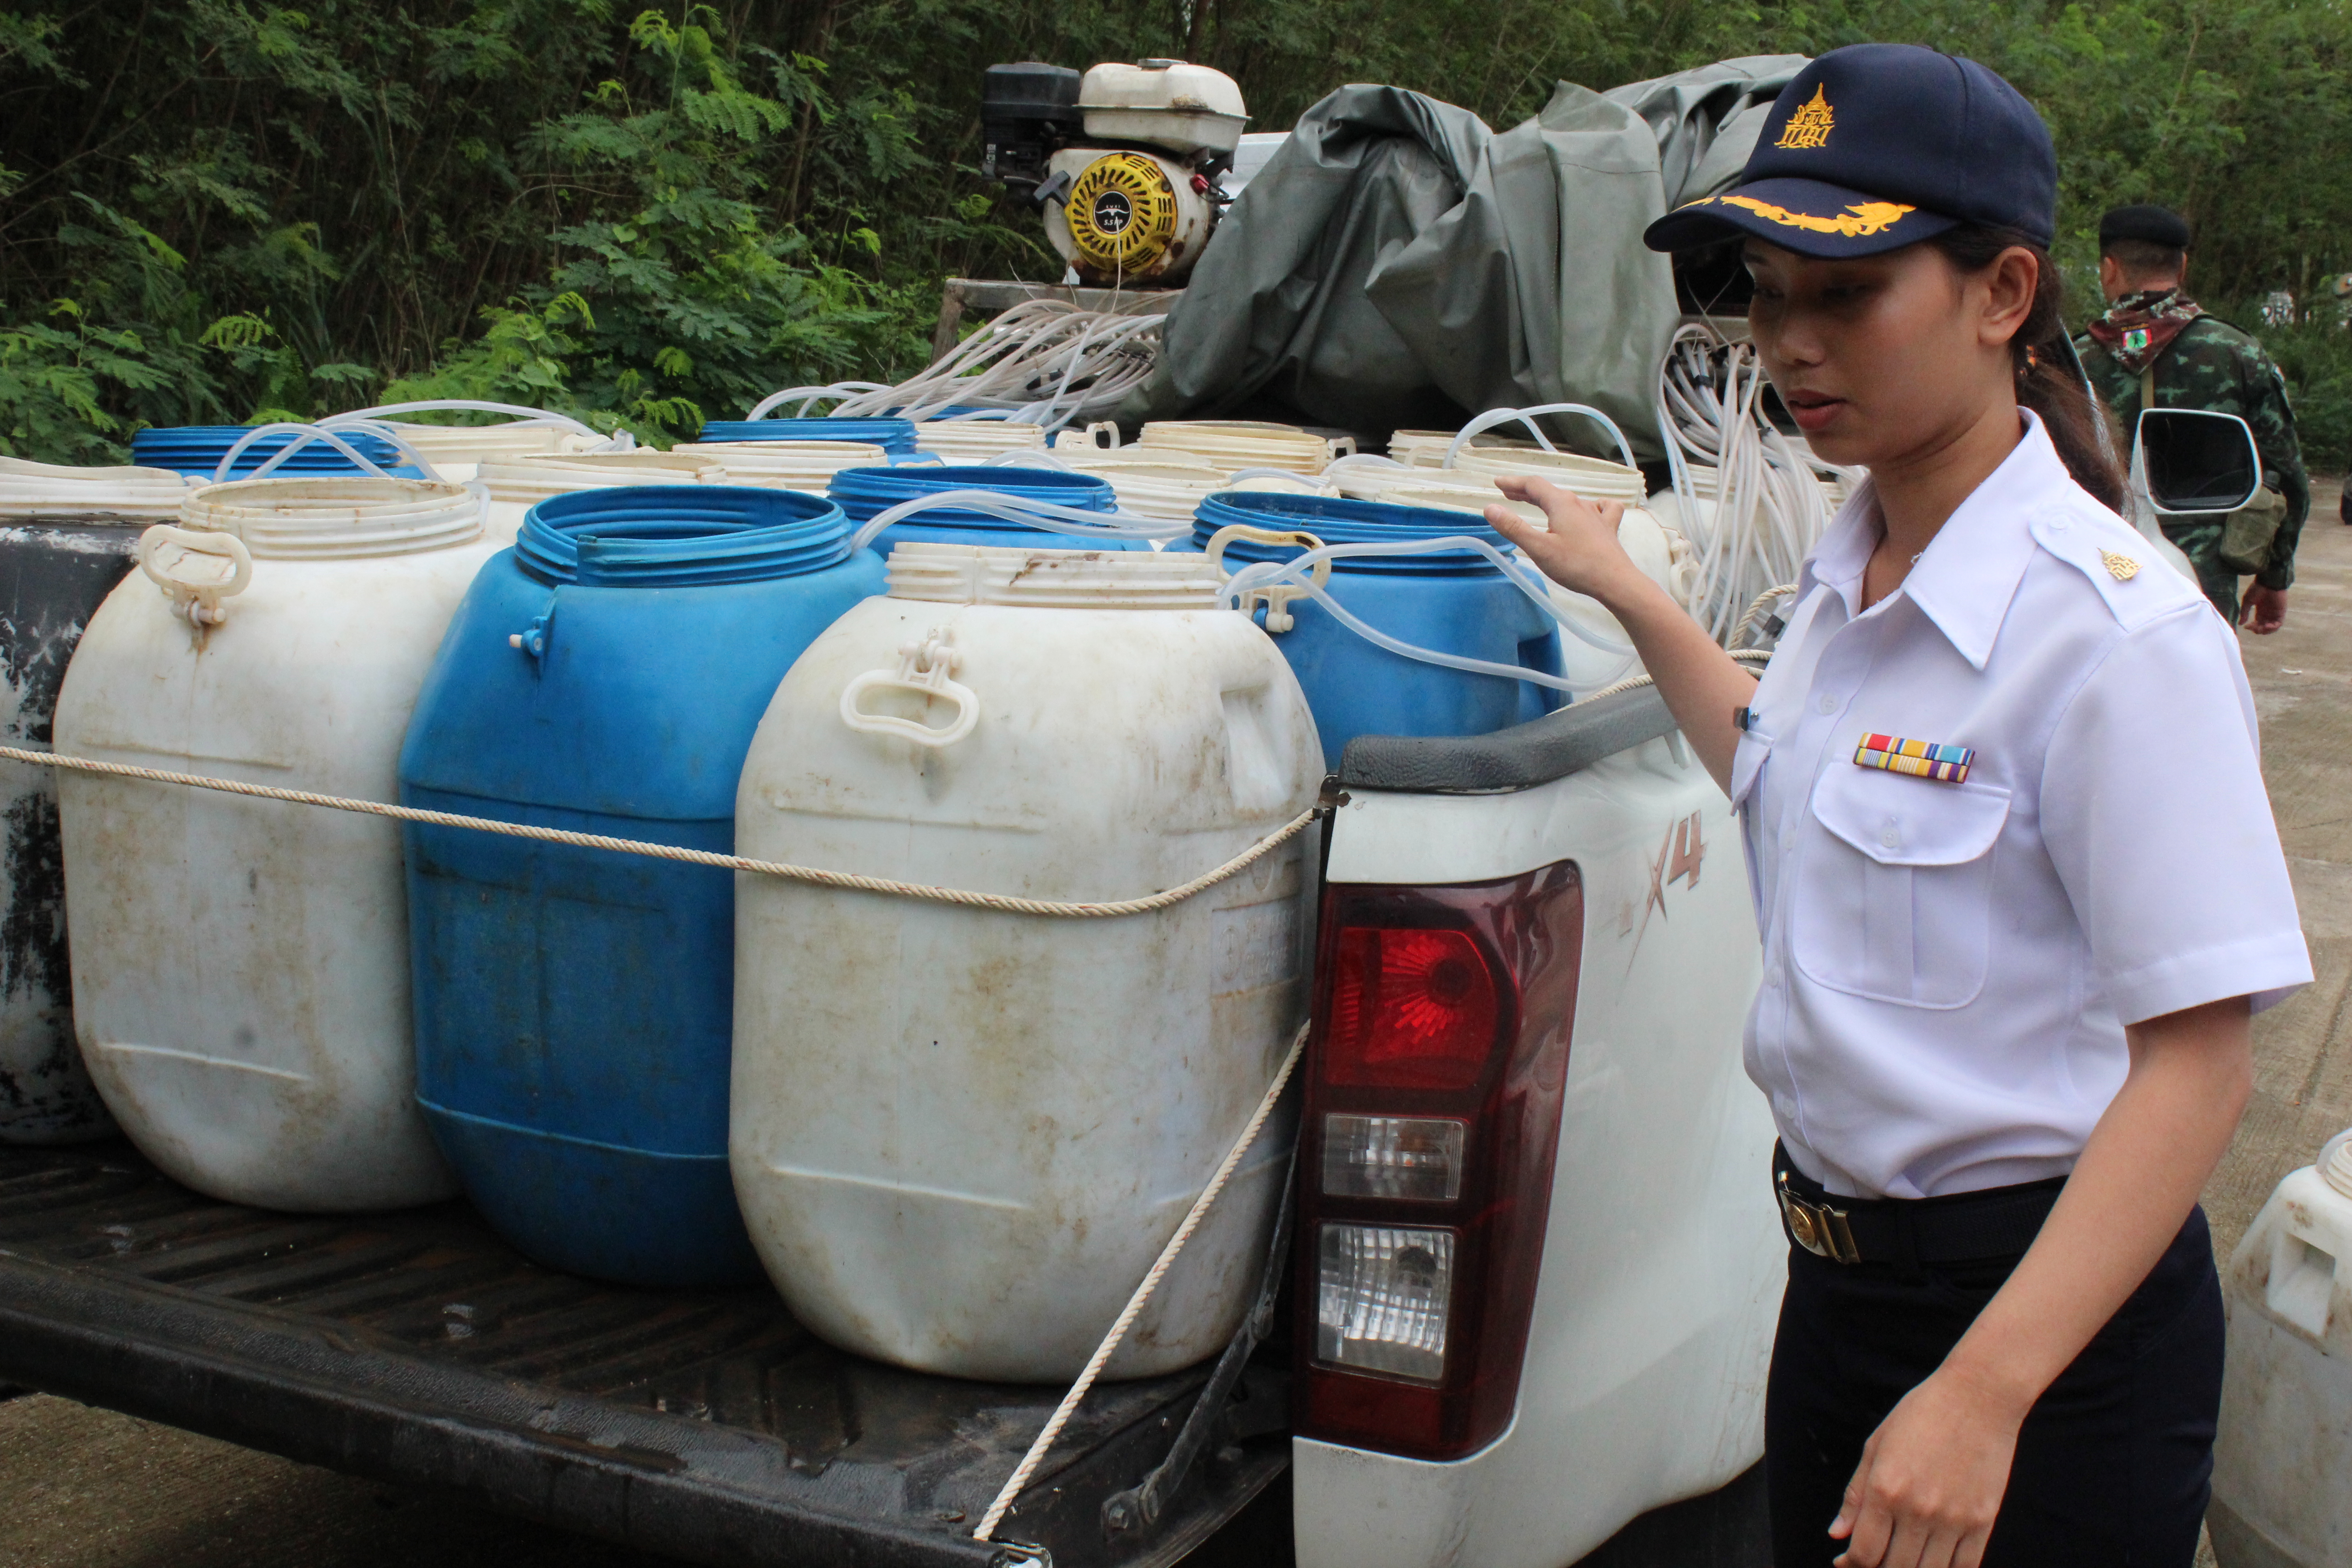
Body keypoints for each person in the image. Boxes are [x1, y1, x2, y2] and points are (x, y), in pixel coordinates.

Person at [1485, 44, 2312, 1568]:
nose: (1789, 342)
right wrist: (1628, 591)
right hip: (1834, 1287)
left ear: (2003, 294)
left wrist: (1983, 1394)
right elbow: (1790, 775)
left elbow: (2196, 1065)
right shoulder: (1849, 568)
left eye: (1846, 293)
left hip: (2043, 1327)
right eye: (1764, 292)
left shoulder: (2111, 638)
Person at [2075, 203, 2309, 632]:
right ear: (2182, 267)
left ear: (2109, 270)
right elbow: (2287, 472)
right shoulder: (2238, 352)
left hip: (2095, 562)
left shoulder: (2071, 362)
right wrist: (2275, 576)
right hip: (2206, 572)